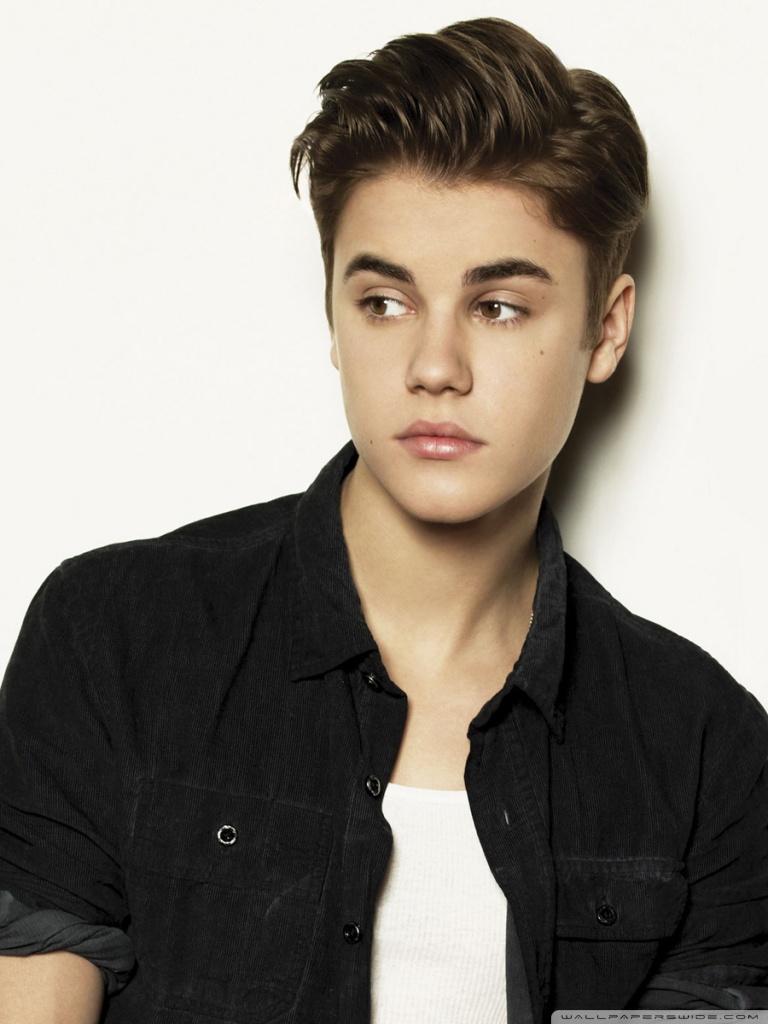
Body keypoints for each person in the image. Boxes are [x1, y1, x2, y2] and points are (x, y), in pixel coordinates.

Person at [1, 15, 766, 1024]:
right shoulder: (114, 638)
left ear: (606, 329)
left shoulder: (709, 755)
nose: (434, 367)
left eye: (498, 306)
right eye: (385, 302)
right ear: (333, 312)